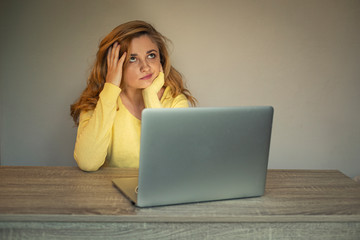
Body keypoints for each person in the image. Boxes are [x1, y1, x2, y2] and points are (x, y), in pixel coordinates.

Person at [70, 20, 196, 171]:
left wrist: (150, 96)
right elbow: (87, 163)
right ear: (113, 65)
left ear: (161, 59)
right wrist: (110, 90)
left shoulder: (174, 101)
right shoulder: (98, 102)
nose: (145, 67)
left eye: (151, 55)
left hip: (158, 192)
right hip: (110, 192)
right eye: (132, 58)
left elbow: (174, 162)